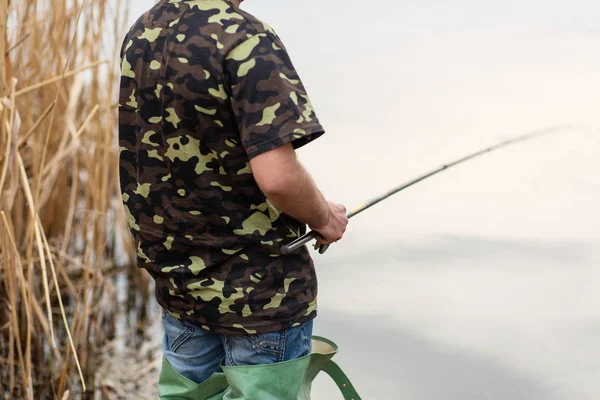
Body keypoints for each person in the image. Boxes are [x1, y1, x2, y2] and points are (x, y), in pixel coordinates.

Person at [118, 0, 348, 388]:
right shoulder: (245, 37)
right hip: (261, 295)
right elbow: (278, 177)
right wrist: (323, 217)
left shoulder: (145, 29)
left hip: (180, 286)